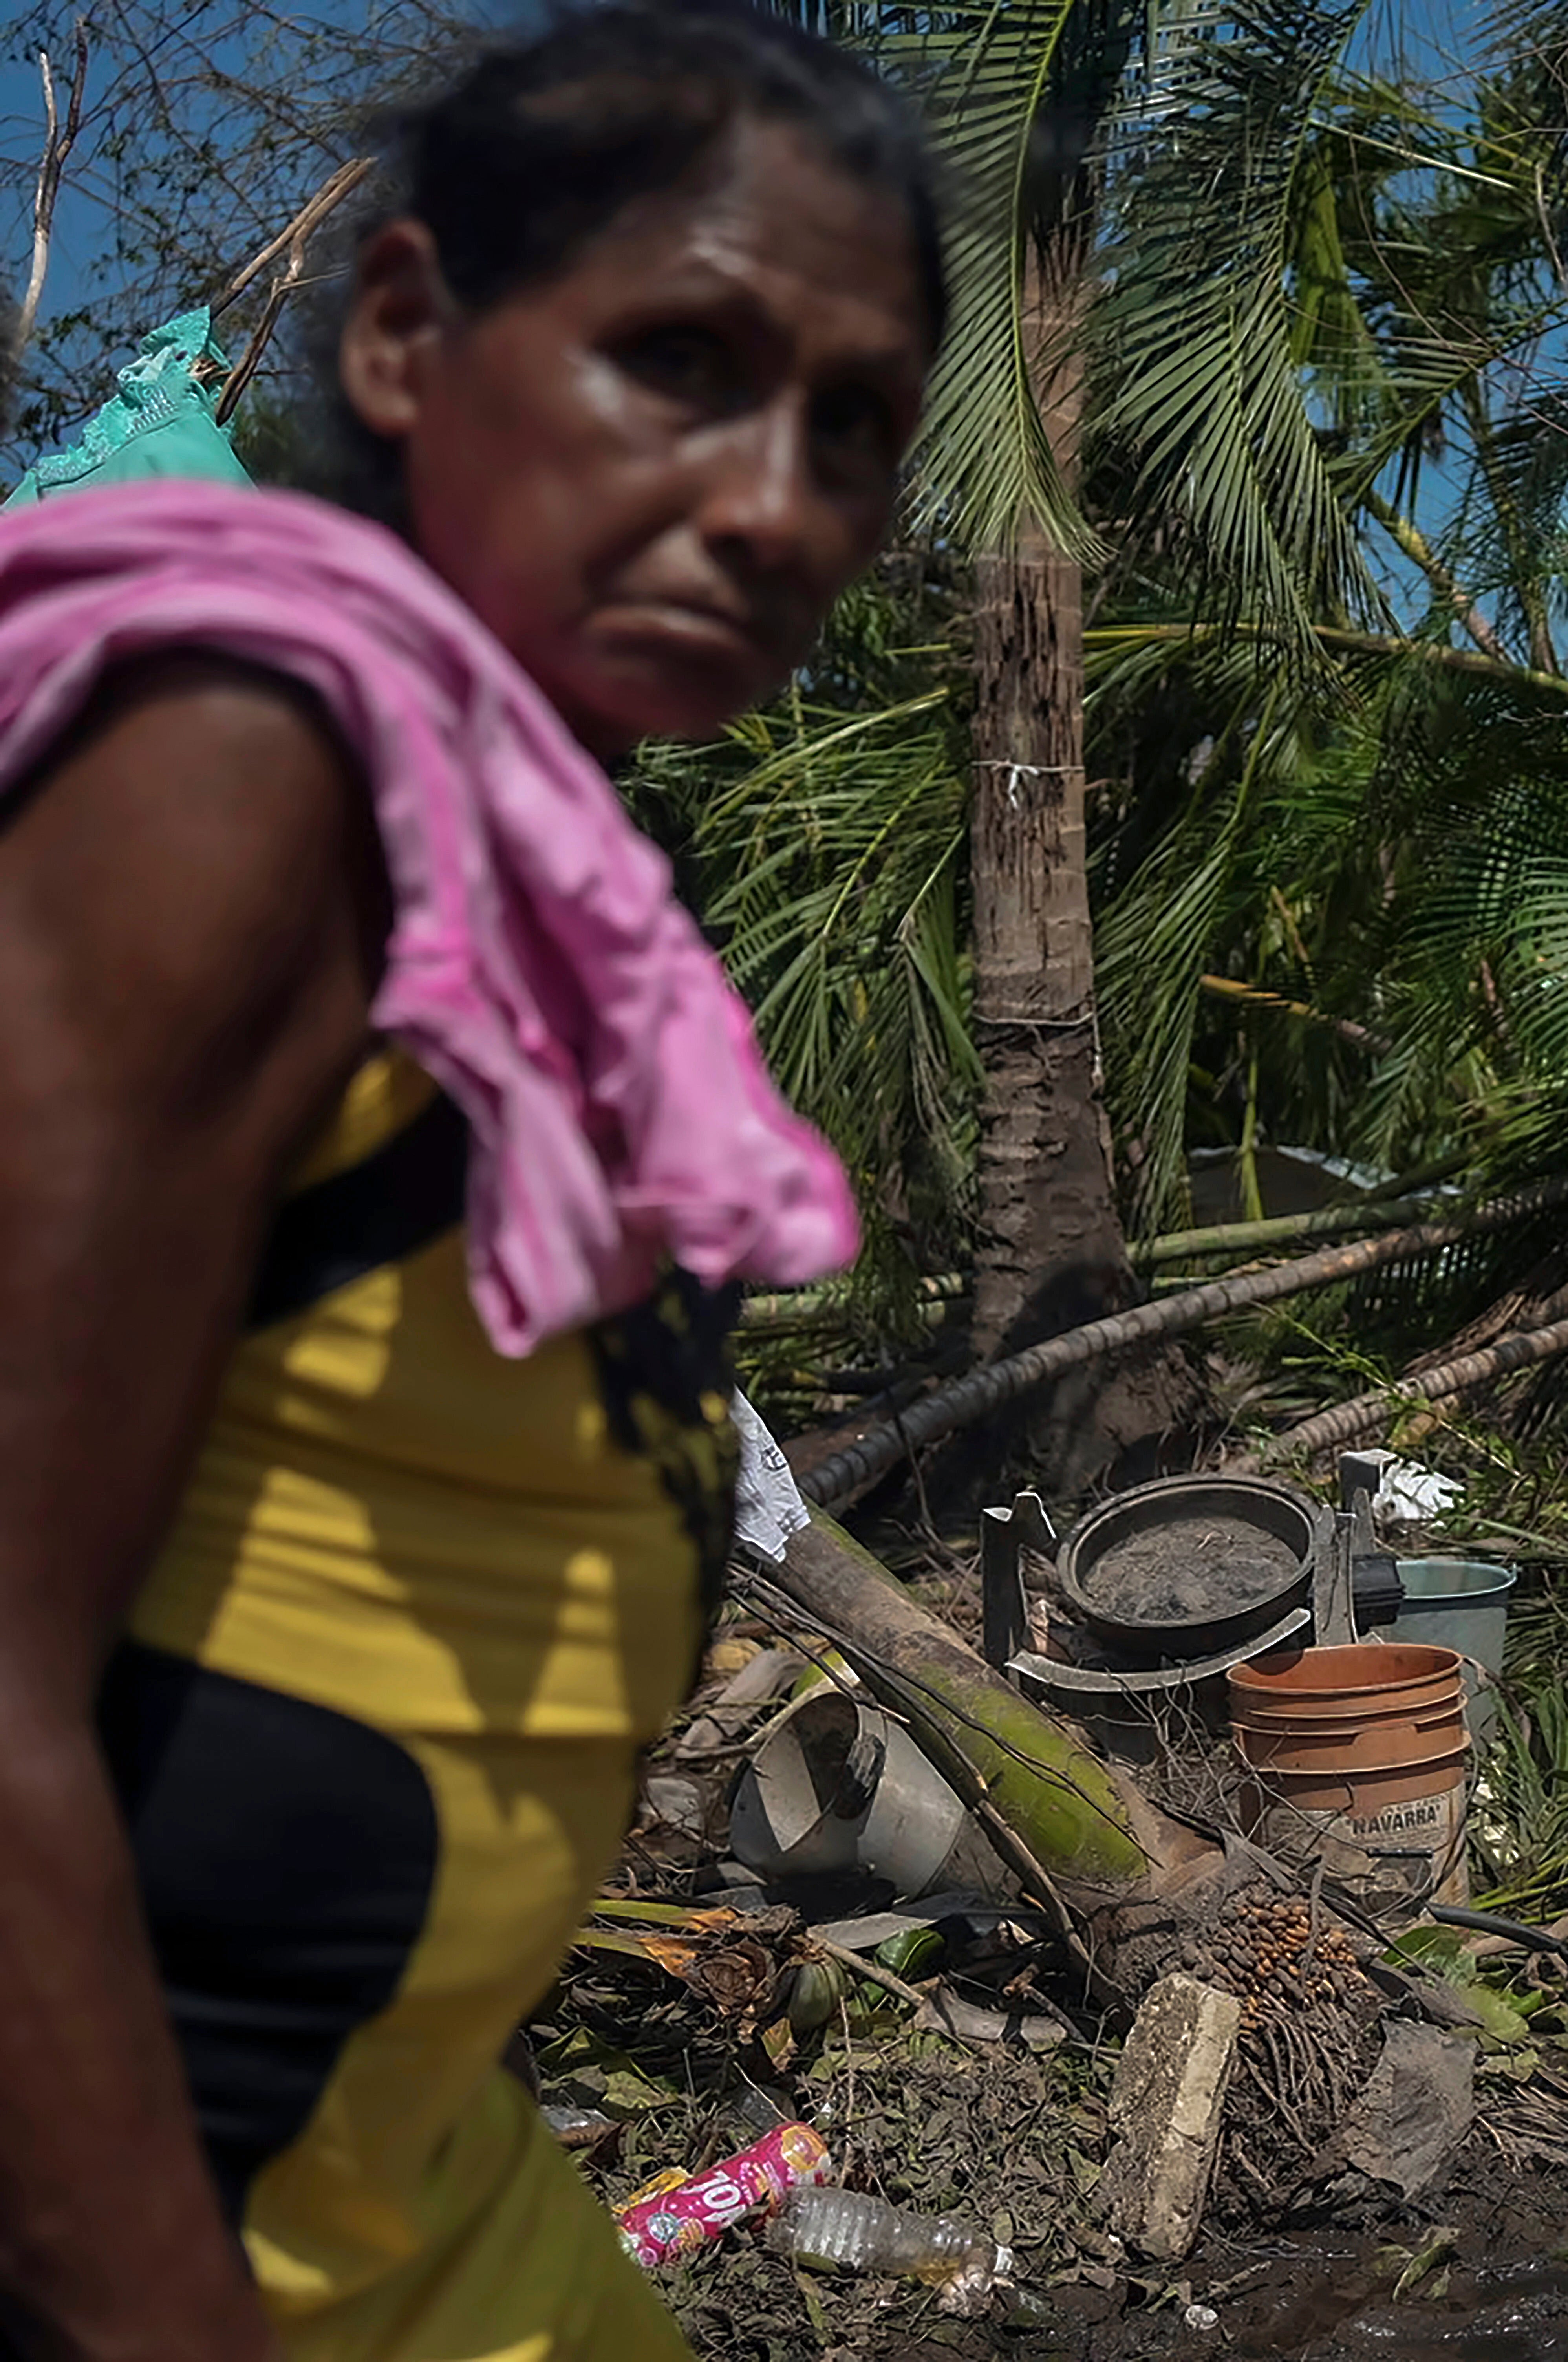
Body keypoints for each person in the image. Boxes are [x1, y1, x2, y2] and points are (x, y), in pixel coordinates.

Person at [0, 7, 939, 2351]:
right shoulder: (237, 777)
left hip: (413, 2201)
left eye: (854, 426)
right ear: (411, 336)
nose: (775, 499)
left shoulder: (528, 917)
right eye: (682, 362)